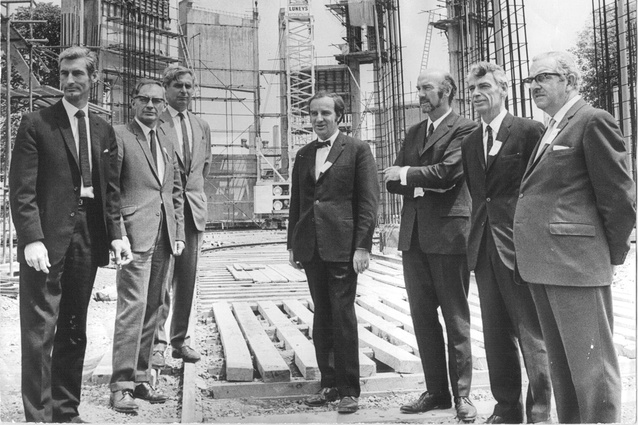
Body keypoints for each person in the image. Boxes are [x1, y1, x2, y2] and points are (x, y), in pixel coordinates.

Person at [9, 45, 131, 423]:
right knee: (39, 330)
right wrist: (31, 238)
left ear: (92, 79)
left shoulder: (102, 128)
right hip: (46, 241)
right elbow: (22, 189)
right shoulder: (36, 123)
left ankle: (65, 410)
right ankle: (40, 415)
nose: (70, 80)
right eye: (64, 74)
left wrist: (116, 234)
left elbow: (110, 191)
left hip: (88, 240)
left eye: (78, 74)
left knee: (74, 326)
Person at [514, 51, 636, 424]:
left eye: (544, 77)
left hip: (576, 263)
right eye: (531, 80)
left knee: (593, 369)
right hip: (545, 264)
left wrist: (607, 256)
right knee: (564, 366)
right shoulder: (552, 125)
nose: (535, 86)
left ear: (569, 80)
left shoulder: (592, 120)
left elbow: (619, 196)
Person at [384, 69, 477, 422]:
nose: (420, 94)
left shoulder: (465, 129)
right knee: (422, 318)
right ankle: (436, 391)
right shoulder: (413, 132)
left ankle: (463, 396)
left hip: (448, 236)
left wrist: (410, 175)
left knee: (455, 318)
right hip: (414, 238)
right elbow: (393, 182)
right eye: (418, 87)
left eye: (426, 88)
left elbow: (449, 174)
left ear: (446, 91)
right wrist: (419, 180)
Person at [461, 61, 552, 424]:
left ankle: (540, 413)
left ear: (503, 90)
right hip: (484, 251)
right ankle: (507, 409)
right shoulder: (470, 141)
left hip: (520, 249)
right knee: (496, 335)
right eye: (472, 89)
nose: (477, 94)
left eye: (484, 87)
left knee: (533, 335)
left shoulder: (530, 132)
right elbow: (478, 195)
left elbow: (541, 189)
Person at [287, 91, 379, 414]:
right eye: (314, 114)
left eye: (325, 113)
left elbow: (368, 203)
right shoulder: (303, 154)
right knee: (321, 318)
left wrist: (362, 246)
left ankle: (348, 389)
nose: (319, 119)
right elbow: (297, 203)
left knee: (342, 316)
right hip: (311, 248)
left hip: (342, 249)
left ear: (338, 116)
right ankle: (328, 384)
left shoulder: (357, 150)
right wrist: (292, 244)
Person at [108, 79, 185, 414]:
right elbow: (110, 190)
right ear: (134, 102)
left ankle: (141, 379)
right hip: (134, 234)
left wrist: (178, 231)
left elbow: (175, 191)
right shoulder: (120, 136)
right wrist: (118, 233)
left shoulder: (166, 139)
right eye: (145, 99)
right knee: (133, 307)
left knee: (154, 306)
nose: (152, 106)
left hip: (164, 235)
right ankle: (121, 384)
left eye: (157, 100)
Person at [153, 65, 211, 366]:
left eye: (189, 86)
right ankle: (158, 343)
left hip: (192, 212)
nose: (184, 91)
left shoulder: (201, 126)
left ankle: (180, 341)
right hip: (164, 212)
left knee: (187, 281)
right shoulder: (155, 122)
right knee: (162, 279)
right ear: (166, 89)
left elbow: (203, 168)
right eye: (178, 86)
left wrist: (194, 199)